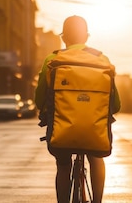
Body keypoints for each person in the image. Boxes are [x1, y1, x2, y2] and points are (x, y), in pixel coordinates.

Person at [34, 15, 121, 203]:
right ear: (87, 37)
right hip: (95, 134)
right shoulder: (103, 61)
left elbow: (40, 98)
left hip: (61, 133)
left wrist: (44, 110)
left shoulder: (52, 60)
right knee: (96, 158)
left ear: (63, 38)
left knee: (63, 164)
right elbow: (116, 104)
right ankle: (97, 200)